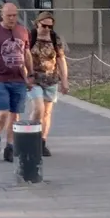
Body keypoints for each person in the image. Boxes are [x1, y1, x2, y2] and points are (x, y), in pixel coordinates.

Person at [0, 2, 32, 163]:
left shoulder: (23, 31)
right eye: (9, 15)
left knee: (15, 114)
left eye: (14, 15)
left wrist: (31, 74)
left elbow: (27, 54)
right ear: (2, 15)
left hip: (19, 78)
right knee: (3, 111)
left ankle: (10, 146)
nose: (12, 18)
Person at [26, 11, 69, 156]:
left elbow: (61, 59)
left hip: (51, 79)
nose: (47, 29)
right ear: (37, 23)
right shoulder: (30, 36)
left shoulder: (54, 38)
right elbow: (23, 56)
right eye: (44, 25)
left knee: (47, 113)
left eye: (50, 26)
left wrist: (65, 80)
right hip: (34, 79)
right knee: (38, 109)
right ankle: (31, 137)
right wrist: (26, 75)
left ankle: (42, 141)